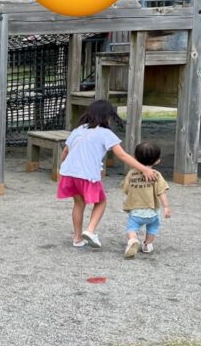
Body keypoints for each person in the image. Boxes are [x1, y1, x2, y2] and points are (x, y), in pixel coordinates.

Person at [57, 100, 158, 249]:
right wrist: (144, 168)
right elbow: (122, 155)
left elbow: (65, 151)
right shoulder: (105, 133)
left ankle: (77, 238)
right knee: (101, 202)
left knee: (78, 203)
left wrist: (65, 166)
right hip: (87, 174)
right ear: (106, 117)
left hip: (68, 173)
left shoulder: (78, 129)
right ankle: (90, 231)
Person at [120, 142, 171, 258]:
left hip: (136, 211)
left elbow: (126, 189)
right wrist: (166, 207)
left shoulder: (131, 174)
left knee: (131, 228)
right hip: (152, 212)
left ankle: (133, 240)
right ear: (158, 160)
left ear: (135, 158)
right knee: (152, 227)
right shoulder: (156, 175)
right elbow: (161, 192)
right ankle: (148, 245)